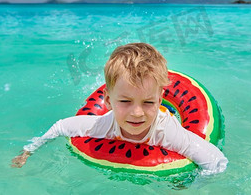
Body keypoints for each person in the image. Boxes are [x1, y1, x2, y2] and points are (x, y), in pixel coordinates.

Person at [12, 43, 228, 174]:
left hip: (168, 119)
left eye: (148, 102)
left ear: (160, 100)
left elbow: (217, 161)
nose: (137, 113)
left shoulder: (169, 133)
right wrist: (28, 152)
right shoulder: (101, 125)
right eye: (125, 101)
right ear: (107, 100)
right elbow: (61, 126)